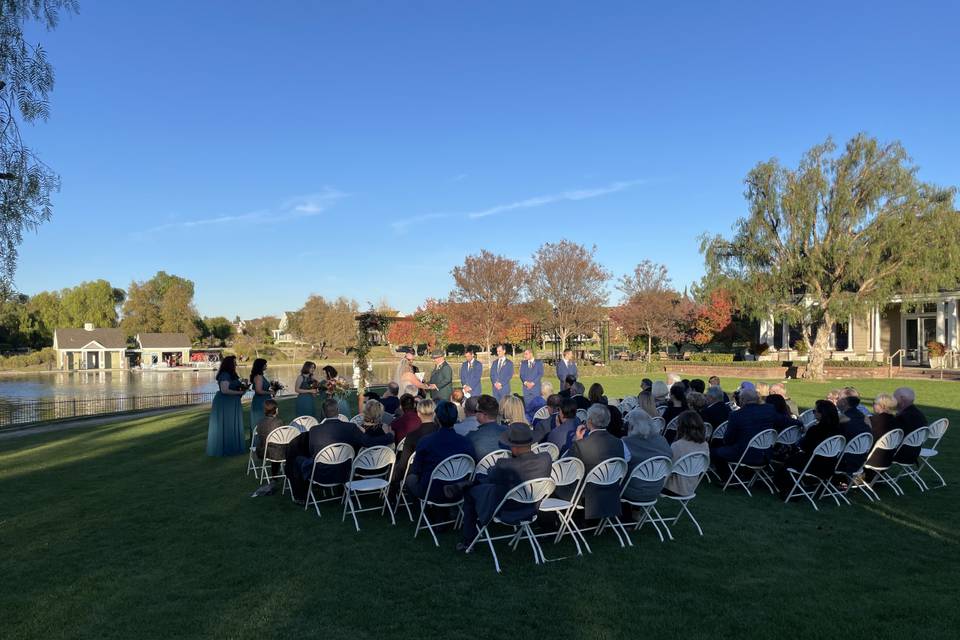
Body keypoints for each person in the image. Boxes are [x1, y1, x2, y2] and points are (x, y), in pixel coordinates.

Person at [457, 423, 552, 552]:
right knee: (485, 484)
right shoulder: (546, 459)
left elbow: (491, 476)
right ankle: (467, 485)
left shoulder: (505, 465)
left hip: (505, 509)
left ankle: (468, 541)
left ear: (514, 447)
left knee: (471, 492)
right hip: (532, 507)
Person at [406, 401, 476, 501]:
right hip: (458, 489)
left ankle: (422, 510)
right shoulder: (466, 441)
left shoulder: (426, 441)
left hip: (432, 490)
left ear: (437, 419)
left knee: (410, 478)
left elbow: (416, 469)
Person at [711, 388, 783, 480]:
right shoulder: (769, 409)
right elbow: (785, 420)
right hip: (765, 454)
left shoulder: (736, 415)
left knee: (714, 451)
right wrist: (800, 423)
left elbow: (728, 440)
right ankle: (743, 475)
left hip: (744, 454)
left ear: (742, 400)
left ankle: (728, 478)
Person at [774, 401, 843, 497]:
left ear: (822, 413)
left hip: (813, 465)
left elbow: (805, 447)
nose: (814, 413)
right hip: (830, 466)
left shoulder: (816, 430)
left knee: (789, 460)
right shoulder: (838, 430)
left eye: (815, 411)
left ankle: (785, 485)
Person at [569, 404, 625, 521]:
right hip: (611, 488)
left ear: (589, 421)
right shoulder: (618, 443)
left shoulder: (581, 445)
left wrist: (577, 441)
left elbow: (569, 468)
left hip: (588, 492)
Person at [621, 409, 672, 504]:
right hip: (656, 490)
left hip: (630, 491)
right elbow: (669, 458)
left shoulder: (626, 442)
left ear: (630, 426)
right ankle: (634, 512)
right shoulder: (662, 440)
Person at [206, 355, 247, 456]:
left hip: (233, 402)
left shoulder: (232, 374)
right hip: (225, 403)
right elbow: (225, 390)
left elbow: (235, 387)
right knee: (227, 424)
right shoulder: (224, 375)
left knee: (232, 424)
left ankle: (233, 447)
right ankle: (226, 448)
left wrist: (243, 386)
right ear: (229, 364)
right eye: (234, 362)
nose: (236, 364)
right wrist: (239, 393)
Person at [663, 411, 710, 497]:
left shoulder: (677, 445)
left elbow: (667, 468)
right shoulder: (705, 445)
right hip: (691, 488)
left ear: (680, 427)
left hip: (672, 488)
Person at [467, 395, 508, 460]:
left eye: (476, 411)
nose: (475, 414)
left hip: (481, 470)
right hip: (506, 468)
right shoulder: (509, 432)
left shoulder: (471, 437)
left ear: (484, 414)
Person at [892, 387, 927, 465]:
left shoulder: (904, 417)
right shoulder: (919, 414)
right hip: (914, 453)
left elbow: (890, 434)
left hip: (901, 454)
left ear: (902, 399)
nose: (892, 401)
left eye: (894, 397)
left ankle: (869, 476)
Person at [253, 398, 284, 477]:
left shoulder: (260, 422)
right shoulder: (279, 422)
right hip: (276, 452)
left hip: (264, 451)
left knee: (274, 448)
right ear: (276, 410)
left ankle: (275, 477)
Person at [248, 358, 273, 433]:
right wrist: (270, 392)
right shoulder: (258, 377)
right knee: (260, 420)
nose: (266, 365)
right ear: (261, 366)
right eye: (265, 364)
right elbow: (258, 391)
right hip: (260, 402)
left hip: (264, 400)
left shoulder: (261, 376)